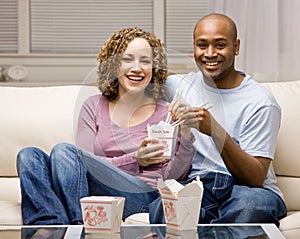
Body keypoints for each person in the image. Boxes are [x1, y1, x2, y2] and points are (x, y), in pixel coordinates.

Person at [16, 27, 195, 225]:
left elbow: (177, 175)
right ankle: (50, 227)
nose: (137, 68)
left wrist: (186, 132)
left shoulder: (166, 113)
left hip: (141, 196)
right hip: (88, 189)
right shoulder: (93, 106)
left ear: (154, 68)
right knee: (28, 156)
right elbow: (84, 163)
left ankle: (77, 229)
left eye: (145, 61)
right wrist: (135, 159)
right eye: (128, 59)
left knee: (64, 150)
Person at [149, 13, 287, 228]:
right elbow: (126, 83)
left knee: (249, 207)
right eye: (202, 45)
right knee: (163, 206)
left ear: (236, 46)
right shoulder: (177, 86)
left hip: (247, 190)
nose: (210, 54)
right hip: (198, 186)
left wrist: (214, 130)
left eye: (220, 45)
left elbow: (255, 178)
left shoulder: (260, 101)